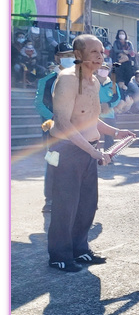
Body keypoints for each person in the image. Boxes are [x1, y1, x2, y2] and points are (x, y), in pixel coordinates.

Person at [47, 34, 134, 272]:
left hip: (89, 150)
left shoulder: (94, 81)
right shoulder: (67, 80)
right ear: (78, 55)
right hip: (67, 150)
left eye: (101, 51)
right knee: (66, 205)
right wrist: (92, 152)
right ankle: (59, 255)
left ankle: (80, 249)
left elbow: (91, 120)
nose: (100, 55)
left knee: (87, 204)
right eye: (94, 51)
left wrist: (116, 133)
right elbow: (64, 123)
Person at [35, 42, 75, 213]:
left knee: (75, 163)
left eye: (71, 55)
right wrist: (54, 117)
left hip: (75, 129)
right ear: (57, 58)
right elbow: (39, 104)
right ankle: (50, 199)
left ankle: (75, 196)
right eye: (65, 55)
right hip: (54, 130)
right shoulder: (47, 80)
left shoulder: (79, 79)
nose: (69, 58)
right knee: (53, 162)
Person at [96, 64, 121, 152]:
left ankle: (108, 156)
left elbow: (117, 97)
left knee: (110, 136)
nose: (103, 70)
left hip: (109, 115)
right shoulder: (91, 81)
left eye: (105, 69)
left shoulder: (113, 84)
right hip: (94, 114)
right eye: (101, 68)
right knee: (93, 136)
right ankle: (93, 157)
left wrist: (108, 105)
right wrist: (98, 105)